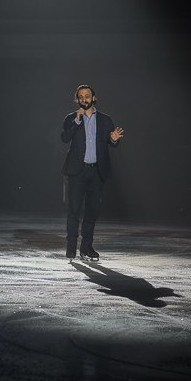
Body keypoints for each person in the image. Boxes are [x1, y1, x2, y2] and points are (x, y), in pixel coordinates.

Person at [61, 84, 124, 260]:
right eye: (80, 97)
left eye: (87, 96)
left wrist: (113, 140)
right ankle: (71, 247)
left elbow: (113, 143)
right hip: (77, 172)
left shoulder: (105, 120)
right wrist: (76, 121)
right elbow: (65, 138)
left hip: (96, 172)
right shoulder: (71, 118)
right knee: (74, 210)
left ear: (94, 98)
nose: (84, 99)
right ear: (77, 100)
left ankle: (86, 247)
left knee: (92, 211)